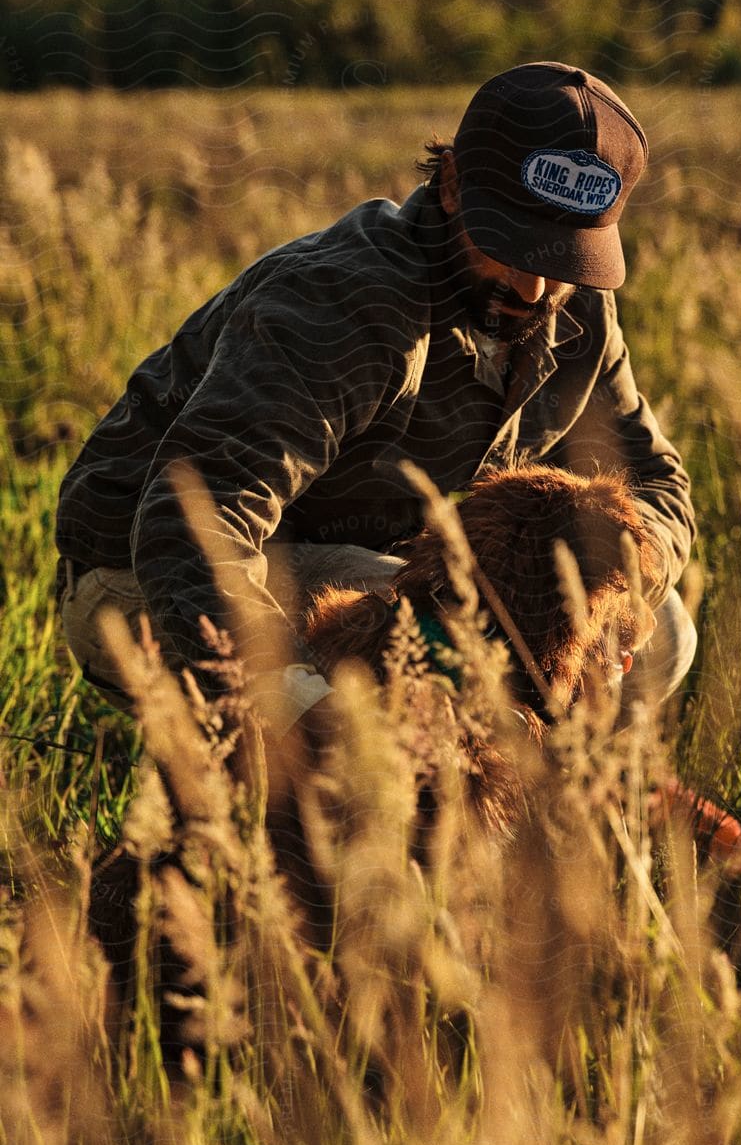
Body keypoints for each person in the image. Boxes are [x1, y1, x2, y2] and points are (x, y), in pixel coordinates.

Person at [55, 62, 698, 746]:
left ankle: (505, 821)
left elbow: (658, 484)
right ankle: (297, 812)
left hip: (364, 566)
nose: (536, 289)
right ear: (451, 186)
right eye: (510, 245)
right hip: (143, 585)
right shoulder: (339, 304)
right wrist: (301, 709)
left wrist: (609, 595)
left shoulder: (584, 312)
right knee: (441, 649)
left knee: (660, 640)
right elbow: (192, 525)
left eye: (565, 255)